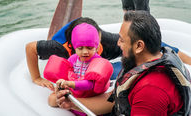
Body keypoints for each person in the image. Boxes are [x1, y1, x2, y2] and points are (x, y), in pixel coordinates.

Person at [55, 11, 191, 115]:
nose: (118, 43)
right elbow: (114, 100)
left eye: (122, 40)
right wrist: (73, 103)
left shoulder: (150, 92)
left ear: (139, 46)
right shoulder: (140, 63)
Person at [26, 17, 191, 90]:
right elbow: (30, 47)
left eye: (93, 46)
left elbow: (150, 45)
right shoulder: (60, 48)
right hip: (68, 47)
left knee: (142, 46)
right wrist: (36, 78)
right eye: (82, 48)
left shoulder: (103, 40)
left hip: (100, 48)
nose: (89, 51)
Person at [45, 23, 113, 115]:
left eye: (89, 48)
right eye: (80, 48)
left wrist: (70, 84)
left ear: (96, 47)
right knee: (51, 100)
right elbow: (67, 74)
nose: (85, 52)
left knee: (82, 112)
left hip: (90, 97)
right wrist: (62, 84)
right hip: (74, 92)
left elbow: (91, 85)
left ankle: (73, 105)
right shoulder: (73, 59)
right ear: (74, 47)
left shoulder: (98, 62)